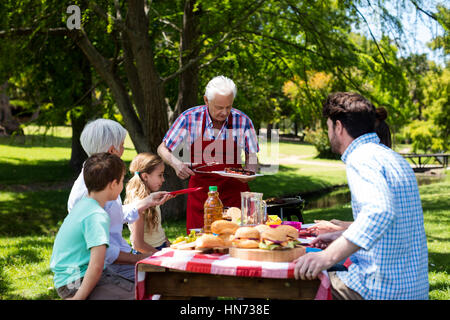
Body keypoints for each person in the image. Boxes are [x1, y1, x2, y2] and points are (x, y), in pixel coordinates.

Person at [294, 92, 429, 300]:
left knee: (292, 283)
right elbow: (393, 225)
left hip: (378, 290)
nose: (329, 132)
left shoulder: (361, 157)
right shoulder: (392, 157)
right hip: (411, 290)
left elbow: (379, 212)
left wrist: (325, 258)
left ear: (338, 127)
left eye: (328, 126)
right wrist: (339, 237)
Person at [67, 119, 171, 282]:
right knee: (167, 280)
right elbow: (103, 252)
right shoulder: (88, 192)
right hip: (104, 270)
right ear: (112, 151)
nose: (123, 151)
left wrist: (147, 201)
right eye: (122, 146)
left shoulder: (99, 179)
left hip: (117, 262)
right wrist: (142, 258)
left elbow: (113, 214)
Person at [157, 76, 260, 233]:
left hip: (234, 195)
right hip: (201, 197)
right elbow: (162, 148)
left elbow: (252, 156)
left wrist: (249, 171)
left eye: (229, 107)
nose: (224, 112)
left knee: (236, 240)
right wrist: (176, 163)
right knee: (199, 243)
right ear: (206, 100)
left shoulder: (243, 121)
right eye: (219, 107)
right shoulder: (189, 118)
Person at [50, 153, 134, 299]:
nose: (122, 185)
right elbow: (96, 265)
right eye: (121, 181)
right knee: (142, 294)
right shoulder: (97, 215)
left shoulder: (84, 205)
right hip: (75, 281)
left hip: (69, 277)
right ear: (113, 184)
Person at [125, 153, 173, 254]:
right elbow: (138, 244)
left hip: (160, 249)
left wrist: (170, 247)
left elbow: (158, 232)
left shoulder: (153, 198)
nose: (163, 179)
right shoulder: (138, 205)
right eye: (160, 175)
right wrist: (160, 256)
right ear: (145, 176)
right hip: (146, 254)